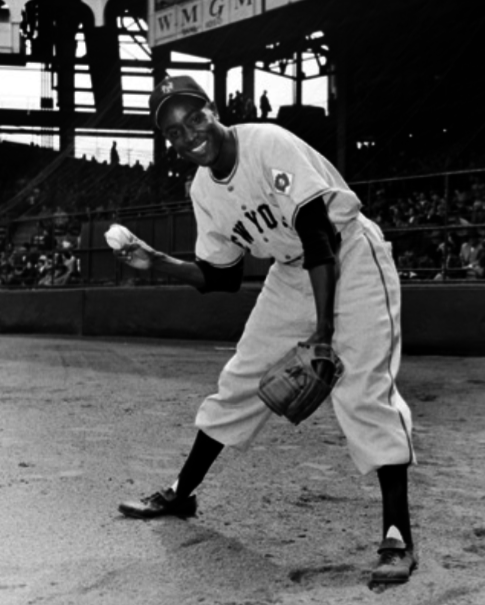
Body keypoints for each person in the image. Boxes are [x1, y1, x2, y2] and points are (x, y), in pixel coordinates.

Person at [116, 75, 417, 585]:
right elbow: (222, 276)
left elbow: (319, 236)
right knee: (241, 378)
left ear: (212, 109)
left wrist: (322, 336)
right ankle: (181, 491)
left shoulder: (267, 144)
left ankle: (397, 534)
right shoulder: (203, 190)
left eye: (193, 117)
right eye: (173, 131)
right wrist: (158, 261)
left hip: (350, 253)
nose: (188, 134)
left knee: (364, 392)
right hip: (292, 270)